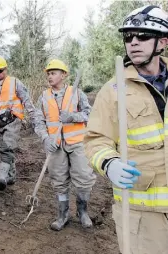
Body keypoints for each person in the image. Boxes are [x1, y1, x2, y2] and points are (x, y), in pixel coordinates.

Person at [84, 5, 168, 254]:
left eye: (142, 36)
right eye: (128, 37)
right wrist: (109, 163)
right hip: (142, 214)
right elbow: (95, 140)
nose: (133, 42)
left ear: (162, 42)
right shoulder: (112, 91)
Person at [34, 59, 96, 231]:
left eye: (53, 73)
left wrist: (72, 117)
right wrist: (45, 139)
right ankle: (63, 214)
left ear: (63, 75)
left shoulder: (76, 93)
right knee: (59, 180)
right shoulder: (44, 97)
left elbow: (90, 114)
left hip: (77, 144)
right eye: (48, 73)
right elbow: (38, 121)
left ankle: (82, 212)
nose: (49, 76)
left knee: (84, 178)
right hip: (55, 146)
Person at [0, 56, 36, 191]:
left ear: (6, 69)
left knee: (7, 147)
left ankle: (2, 178)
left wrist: (34, 119)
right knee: (3, 149)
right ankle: (11, 176)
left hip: (13, 120)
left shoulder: (15, 83)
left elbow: (27, 100)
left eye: (0, 70)